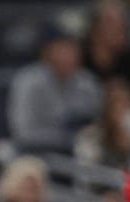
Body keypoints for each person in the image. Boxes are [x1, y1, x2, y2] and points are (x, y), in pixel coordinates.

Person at [7, 21, 102, 151]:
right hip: (38, 155)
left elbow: (101, 125)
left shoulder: (87, 82)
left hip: (82, 155)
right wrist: (68, 138)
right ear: (46, 51)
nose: (68, 54)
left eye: (73, 47)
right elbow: (24, 134)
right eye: (62, 47)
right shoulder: (28, 82)